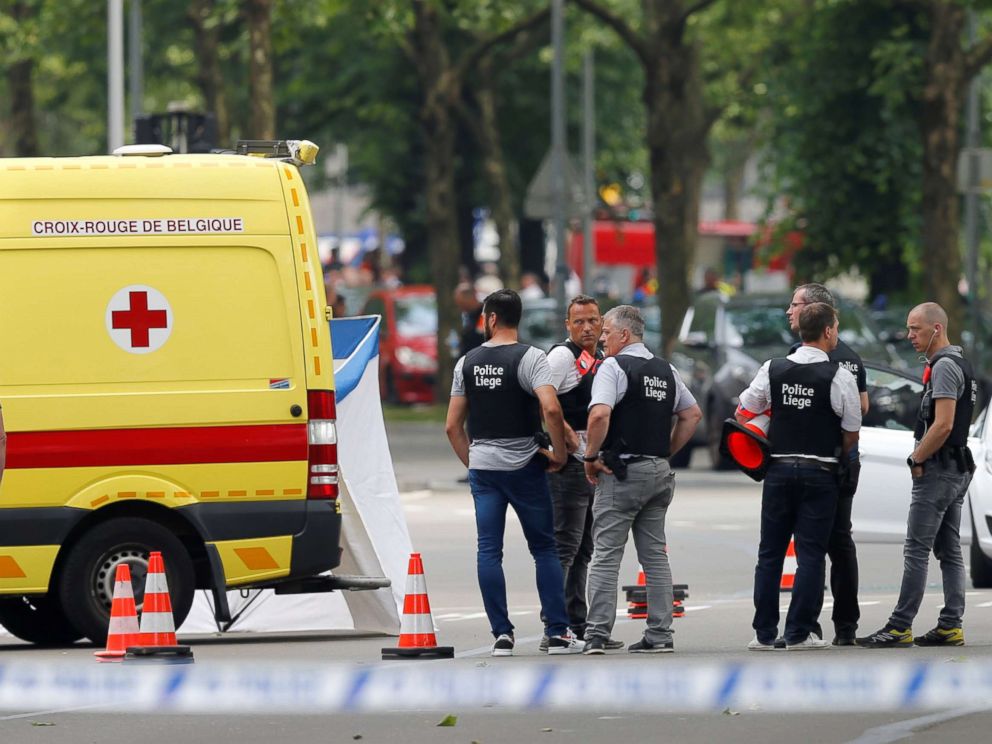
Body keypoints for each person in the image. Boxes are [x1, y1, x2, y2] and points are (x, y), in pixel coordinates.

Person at [445, 289, 582, 657]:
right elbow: (551, 410)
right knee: (544, 549)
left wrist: (474, 465)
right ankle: (557, 633)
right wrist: (559, 453)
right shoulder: (531, 358)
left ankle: (501, 636)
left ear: (490, 319)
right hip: (525, 466)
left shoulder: (467, 362)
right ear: (516, 319)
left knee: (489, 550)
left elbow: (452, 427)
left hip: (485, 469)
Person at [737, 302, 861, 651]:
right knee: (810, 553)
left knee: (770, 553)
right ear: (826, 332)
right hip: (819, 471)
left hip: (777, 469)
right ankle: (798, 632)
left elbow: (746, 407)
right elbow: (852, 430)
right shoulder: (839, 376)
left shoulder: (772, 368)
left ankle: (763, 634)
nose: (836, 333)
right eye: (835, 327)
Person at [581, 305, 702, 654]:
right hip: (658, 473)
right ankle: (660, 634)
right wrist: (665, 451)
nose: (601, 339)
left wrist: (590, 456)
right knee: (655, 555)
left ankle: (597, 634)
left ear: (624, 335)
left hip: (623, 472)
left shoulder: (613, 367)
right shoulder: (665, 370)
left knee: (605, 553)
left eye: (606, 333)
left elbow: (600, 414)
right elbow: (692, 414)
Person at [858, 302, 978, 648]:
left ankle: (900, 625)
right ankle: (950, 624)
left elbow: (942, 424)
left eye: (915, 329)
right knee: (949, 550)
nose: (909, 336)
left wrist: (916, 458)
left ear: (936, 329)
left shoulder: (943, 367)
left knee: (916, 549)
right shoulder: (960, 363)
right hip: (956, 467)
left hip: (939, 469)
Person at [786, 283, 868, 646]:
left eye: (795, 305)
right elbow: (862, 408)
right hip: (844, 459)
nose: (790, 311)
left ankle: (808, 624)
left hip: (815, 460)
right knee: (840, 542)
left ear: (814, 312)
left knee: (810, 545)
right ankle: (846, 626)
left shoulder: (802, 356)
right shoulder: (851, 356)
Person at [543, 295, 623, 651]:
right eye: (579, 322)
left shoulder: (603, 357)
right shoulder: (561, 357)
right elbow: (544, 402)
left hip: (592, 463)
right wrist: (565, 445)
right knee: (566, 547)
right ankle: (554, 628)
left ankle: (577, 621)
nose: (588, 328)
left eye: (593, 321)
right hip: (571, 468)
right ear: (567, 325)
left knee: (584, 549)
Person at [454, 282, 485, 357]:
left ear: (470, 298)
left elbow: (479, 336)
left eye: (461, 303)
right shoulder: (469, 315)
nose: (460, 308)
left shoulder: (485, 314)